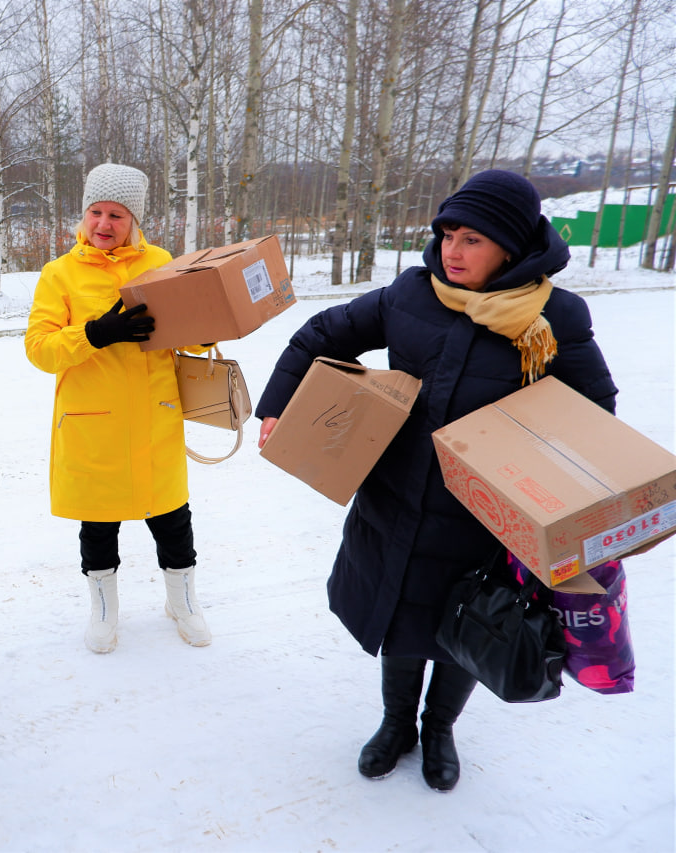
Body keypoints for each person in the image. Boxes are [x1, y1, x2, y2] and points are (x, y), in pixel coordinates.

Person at [255, 170, 618, 791]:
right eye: (447, 233)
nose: (452, 250)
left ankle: (439, 728)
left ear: (511, 245)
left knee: (466, 626)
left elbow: (595, 415)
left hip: (485, 518)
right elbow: (322, 334)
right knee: (398, 617)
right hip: (395, 500)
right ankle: (396, 724)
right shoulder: (411, 295)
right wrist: (278, 406)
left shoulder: (554, 317)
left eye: (472, 239)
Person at [24, 163, 212, 653]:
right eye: (96, 212)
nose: (104, 225)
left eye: (117, 215)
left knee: (172, 517)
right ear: (84, 213)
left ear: (136, 219)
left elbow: (183, 336)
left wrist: (202, 328)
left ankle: (183, 602)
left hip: (155, 417)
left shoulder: (162, 262)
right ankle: (104, 611)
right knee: (99, 522)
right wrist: (94, 333)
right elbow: (39, 350)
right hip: (94, 425)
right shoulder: (59, 274)